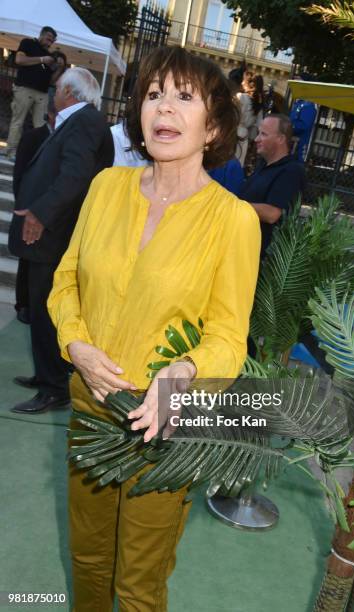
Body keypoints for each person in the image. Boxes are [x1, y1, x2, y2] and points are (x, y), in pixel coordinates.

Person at [47, 46, 261, 611]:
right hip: (91, 409)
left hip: (162, 428)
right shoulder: (106, 188)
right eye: (153, 93)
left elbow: (227, 339)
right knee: (89, 560)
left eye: (183, 97)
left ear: (213, 124)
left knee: (139, 587)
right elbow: (65, 279)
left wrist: (184, 372)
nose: (163, 108)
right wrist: (75, 343)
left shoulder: (233, 221)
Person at [8, 67, 114, 414]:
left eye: (56, 87)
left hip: (55, 236)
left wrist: (40, 213)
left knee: (47, 312)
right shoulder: (78, 121)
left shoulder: (85, 121)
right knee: (40, 311)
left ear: (69, 92)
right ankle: (46, 377)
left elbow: (75, 175)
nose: (53, 93)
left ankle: (54, 387)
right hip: (51, 236)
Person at [12, 98, 57, 324]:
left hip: (51, 214)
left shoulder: (65, 140)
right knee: (26, 260)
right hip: (29, 210)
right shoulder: (32, 138)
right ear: (51, 115)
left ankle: (38, 306)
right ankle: (23, 304)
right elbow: (20, 175)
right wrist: (24, 206)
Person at [239, 113, 306, 257]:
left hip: (261, 259)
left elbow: (272, 214)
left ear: (280, 139)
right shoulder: (262, 165)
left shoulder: (291, 171)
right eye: (258, 133)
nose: (256, 139)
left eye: (263, 134)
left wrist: (232, 204)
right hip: (242, 250)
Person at [3, 26, 64, 159]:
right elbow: (19, 60)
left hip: (42, 93)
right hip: (24, 88)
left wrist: (59, 69)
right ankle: (11, 151)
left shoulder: (49, 55)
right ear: (41, 35)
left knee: (41, 126)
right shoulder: (28, 43)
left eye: (52, 41)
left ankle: (36, 154)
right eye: (48, 39)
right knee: (18, 121)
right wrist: (41, 60)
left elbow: (51, 81)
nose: (49, 43)